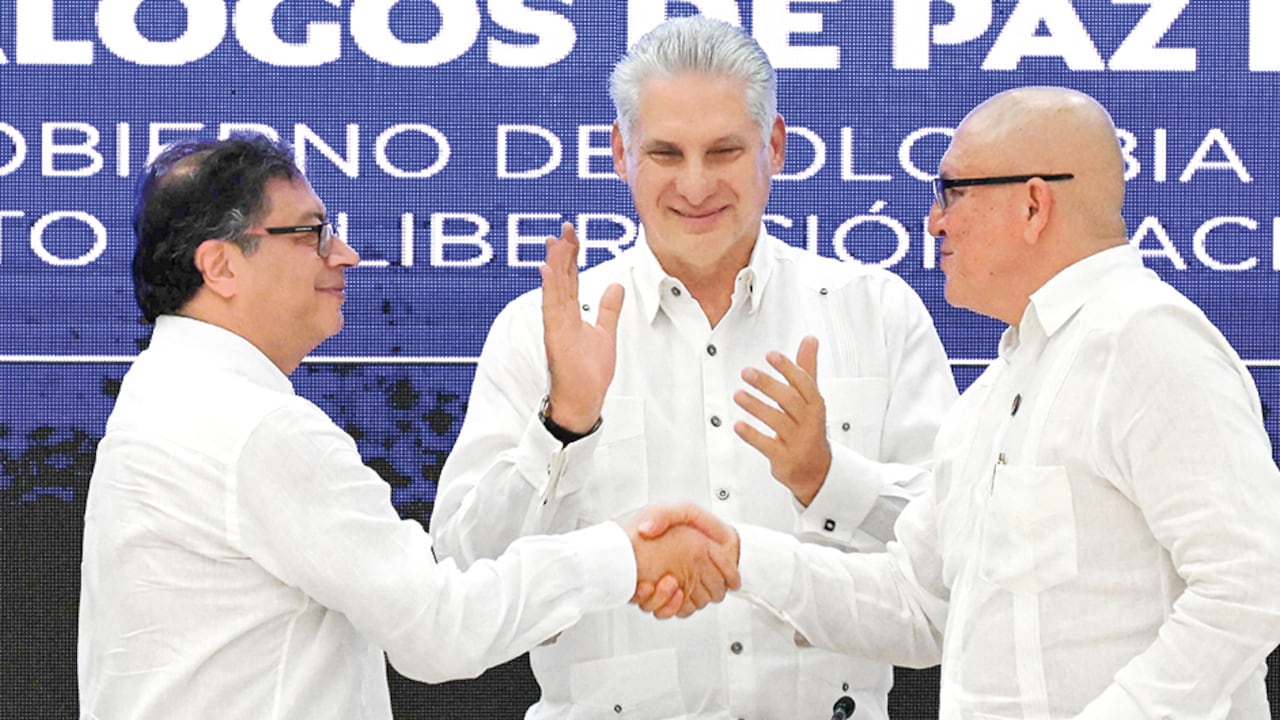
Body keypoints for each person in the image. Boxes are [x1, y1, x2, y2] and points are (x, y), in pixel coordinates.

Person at [76, 134, 741, 720]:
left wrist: (565, 421)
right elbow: (438, 630)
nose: (347, 256)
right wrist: (625, 555)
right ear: (220, 265)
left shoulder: (164, 393)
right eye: (311, 234)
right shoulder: (254, 427)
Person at [429, 15, 957, 719]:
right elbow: (461, 586)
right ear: (621, 153)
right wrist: (562, 427)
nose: (697, 185)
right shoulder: (542, 330)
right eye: (667, 154)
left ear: (774, 146)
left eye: (725, 150)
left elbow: (960, 576)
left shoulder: (877, 314)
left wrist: (827, 479)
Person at [729, 86, 1280, 718]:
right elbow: (920, 601)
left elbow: (1252, 584)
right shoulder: (995, 389)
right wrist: (737, 557)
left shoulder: (1144, 340)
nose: (935, 220)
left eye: (953, 191)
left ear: (1034, 204)